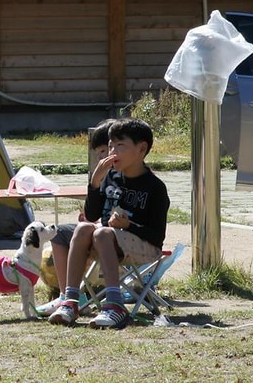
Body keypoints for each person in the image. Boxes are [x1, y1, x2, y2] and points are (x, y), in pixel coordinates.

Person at [48, 118, 169, 329]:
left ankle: (115, 305)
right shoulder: (110, 176)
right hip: (108, 242)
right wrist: (95, 182)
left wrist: (128, 225)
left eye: (120, 146)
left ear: (141, 149)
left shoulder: (155, 187)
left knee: (102, 233)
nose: (112, 151)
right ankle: (70, 301)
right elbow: (91, 214)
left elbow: (157, 237)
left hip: (145, 247)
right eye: (111, 145)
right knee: (85, 227)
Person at [35, 118, 115, 317]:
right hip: (99, 227)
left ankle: (102, 300)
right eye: (99, 153)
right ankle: (68, 297)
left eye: (107, 150)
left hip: (117, 233)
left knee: (93, 232)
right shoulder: (101, 176)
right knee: (59, 233)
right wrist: (89, 218)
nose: (102, 157)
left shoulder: (129, 176)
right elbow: (93, 212)